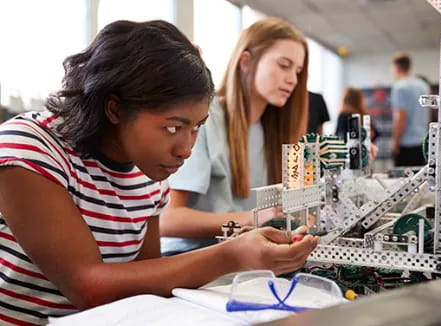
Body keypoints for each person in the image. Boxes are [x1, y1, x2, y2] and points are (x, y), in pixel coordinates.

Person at [0, 20, 318, 325]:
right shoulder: (30, 148)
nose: (186, 148)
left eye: (197, 128)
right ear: (115, 109)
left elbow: (148, 276)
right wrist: (232, 254)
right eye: (173, 127)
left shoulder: (147, 171)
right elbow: (87, 286)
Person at [160, 17, 309, 255]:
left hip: (244, 261)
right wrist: (251, 218)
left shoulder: (272, 132)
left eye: (298, 71)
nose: (292, 79)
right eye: (283, 65)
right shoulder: (204, 120)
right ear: (246, 61)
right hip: (191, 261)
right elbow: (167, 220)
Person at [390, 53, 429, 167]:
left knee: (404, 181)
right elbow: (428, 114)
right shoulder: (423, 85)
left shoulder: (399, 87)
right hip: (422, 142)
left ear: (396, 67)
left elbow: (401, 118)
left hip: (406, 145)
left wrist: (395, 142)